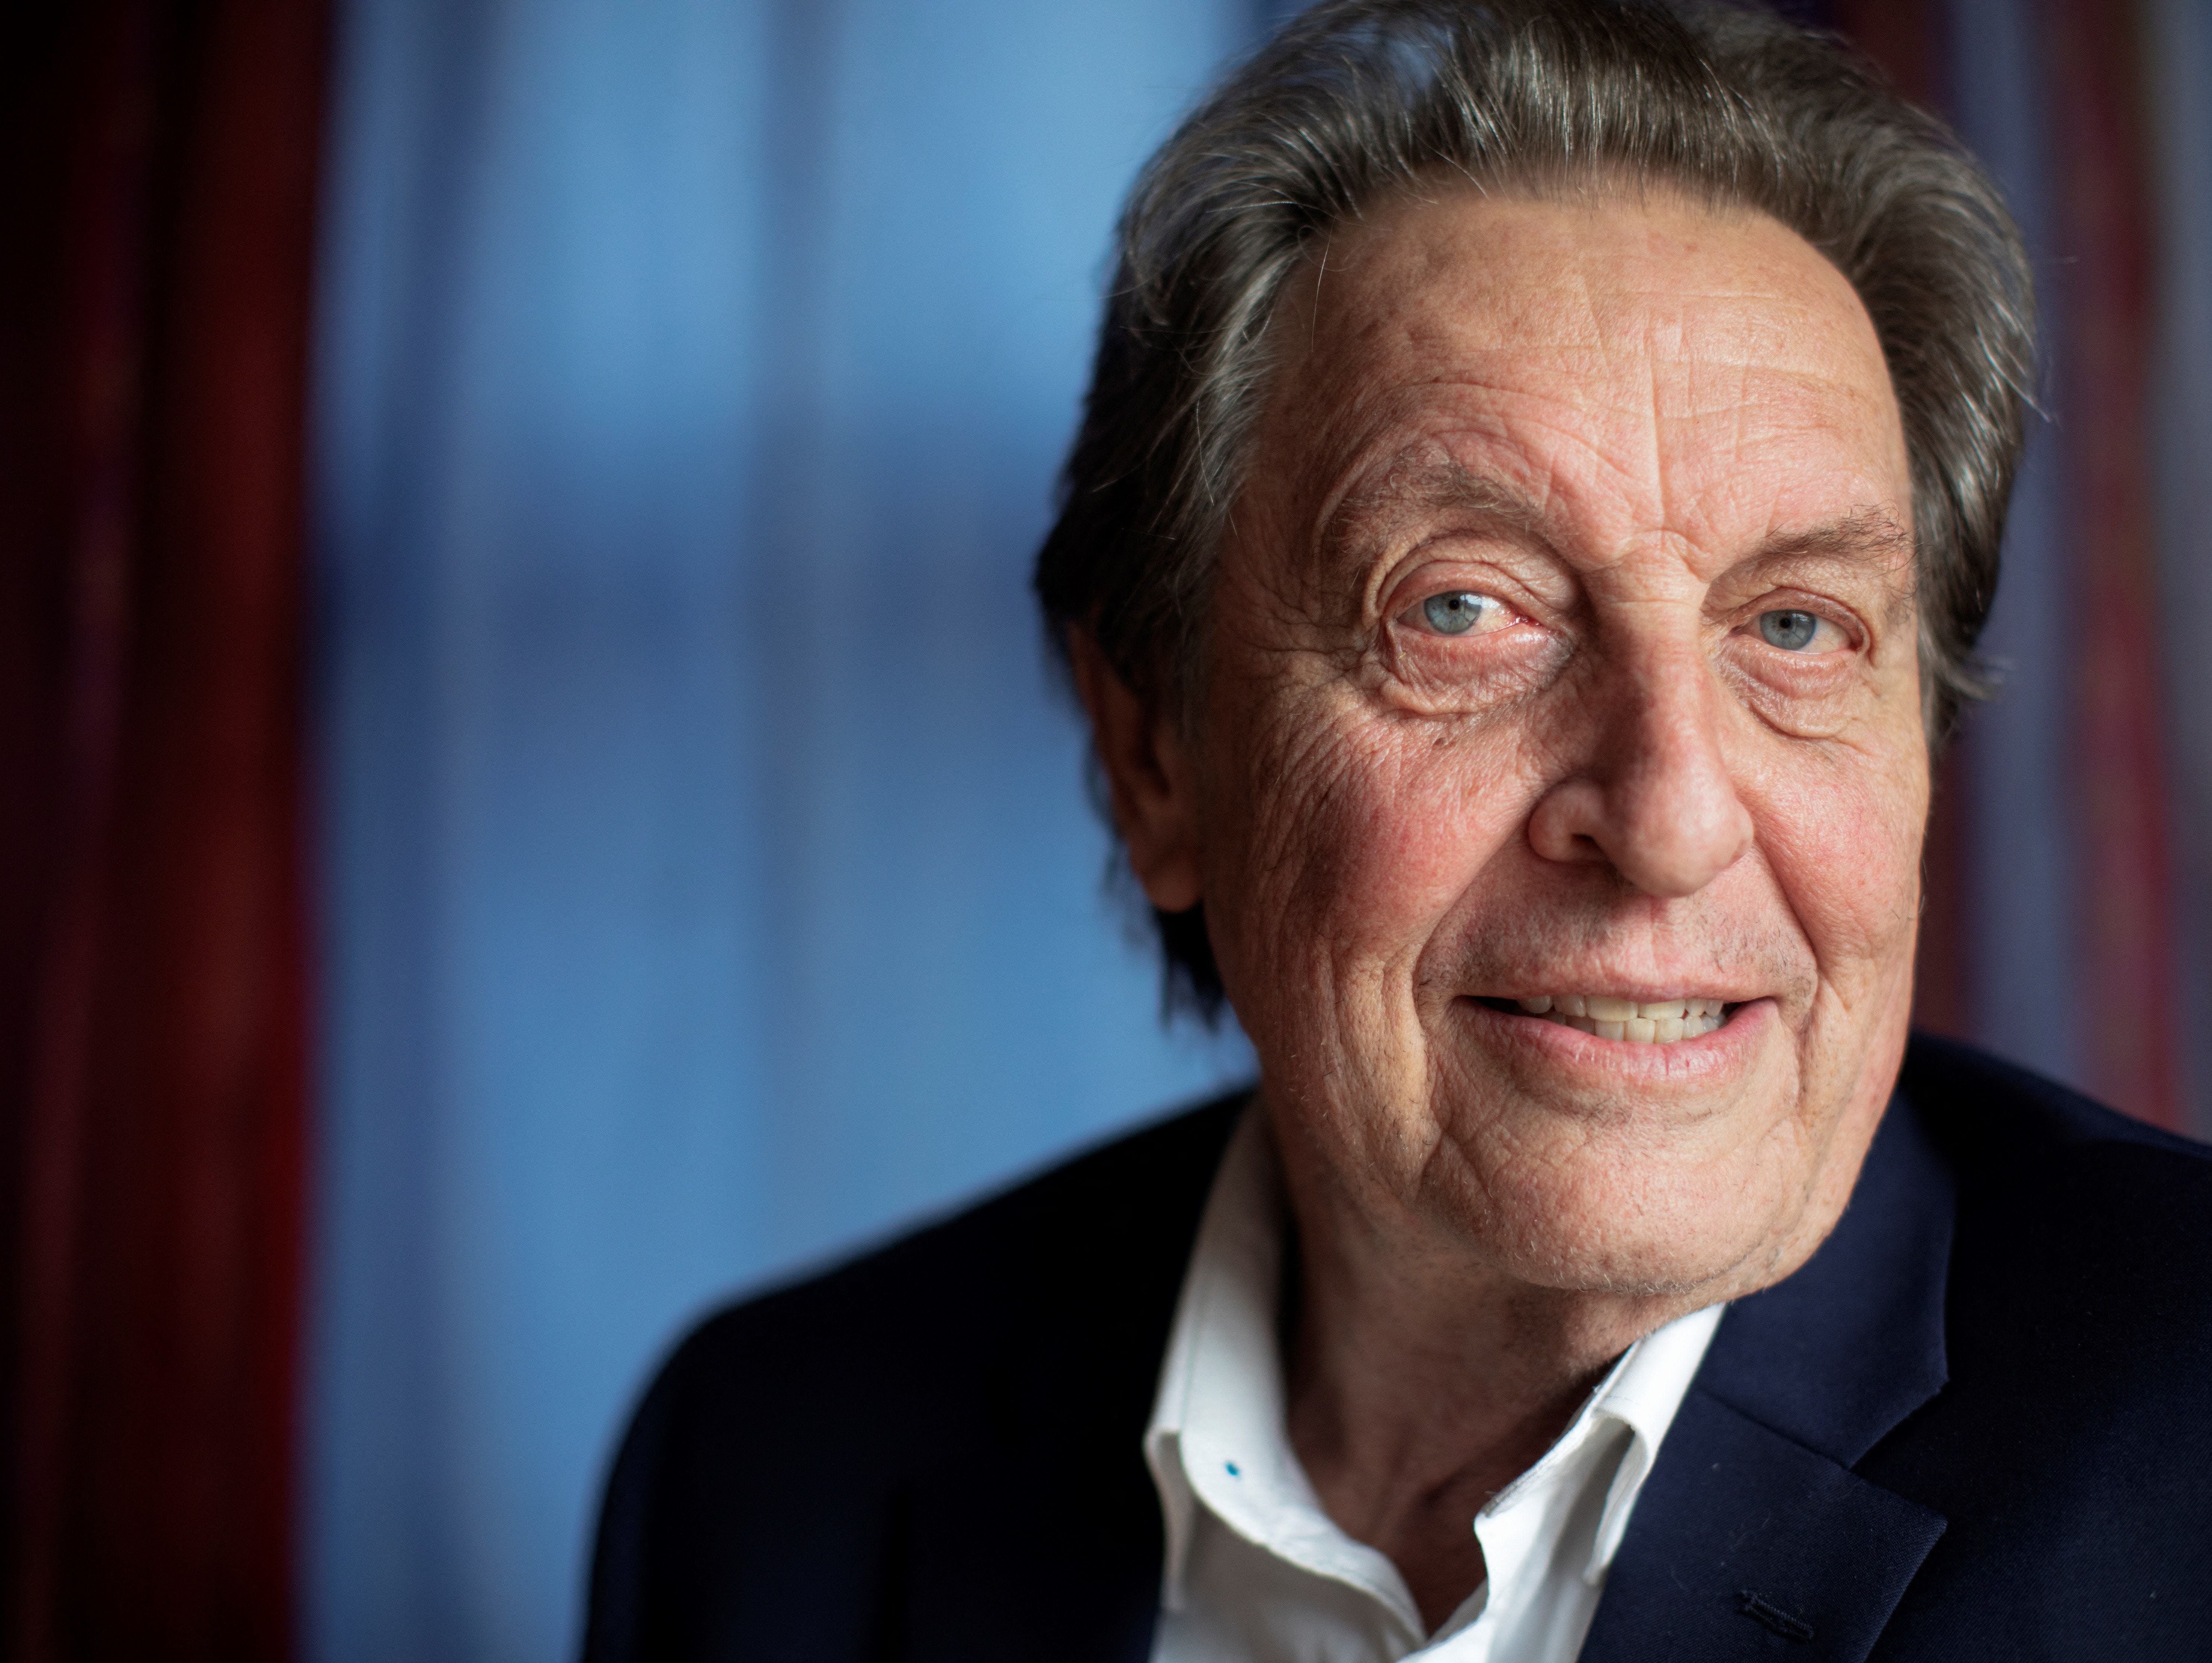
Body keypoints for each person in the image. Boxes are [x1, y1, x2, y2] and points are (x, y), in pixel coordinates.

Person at [583, 2, 2212, 1659]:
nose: (1668, 817)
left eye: (1796, 628)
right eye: (1463, 609)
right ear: (1157, 752)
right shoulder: (769, 1467)